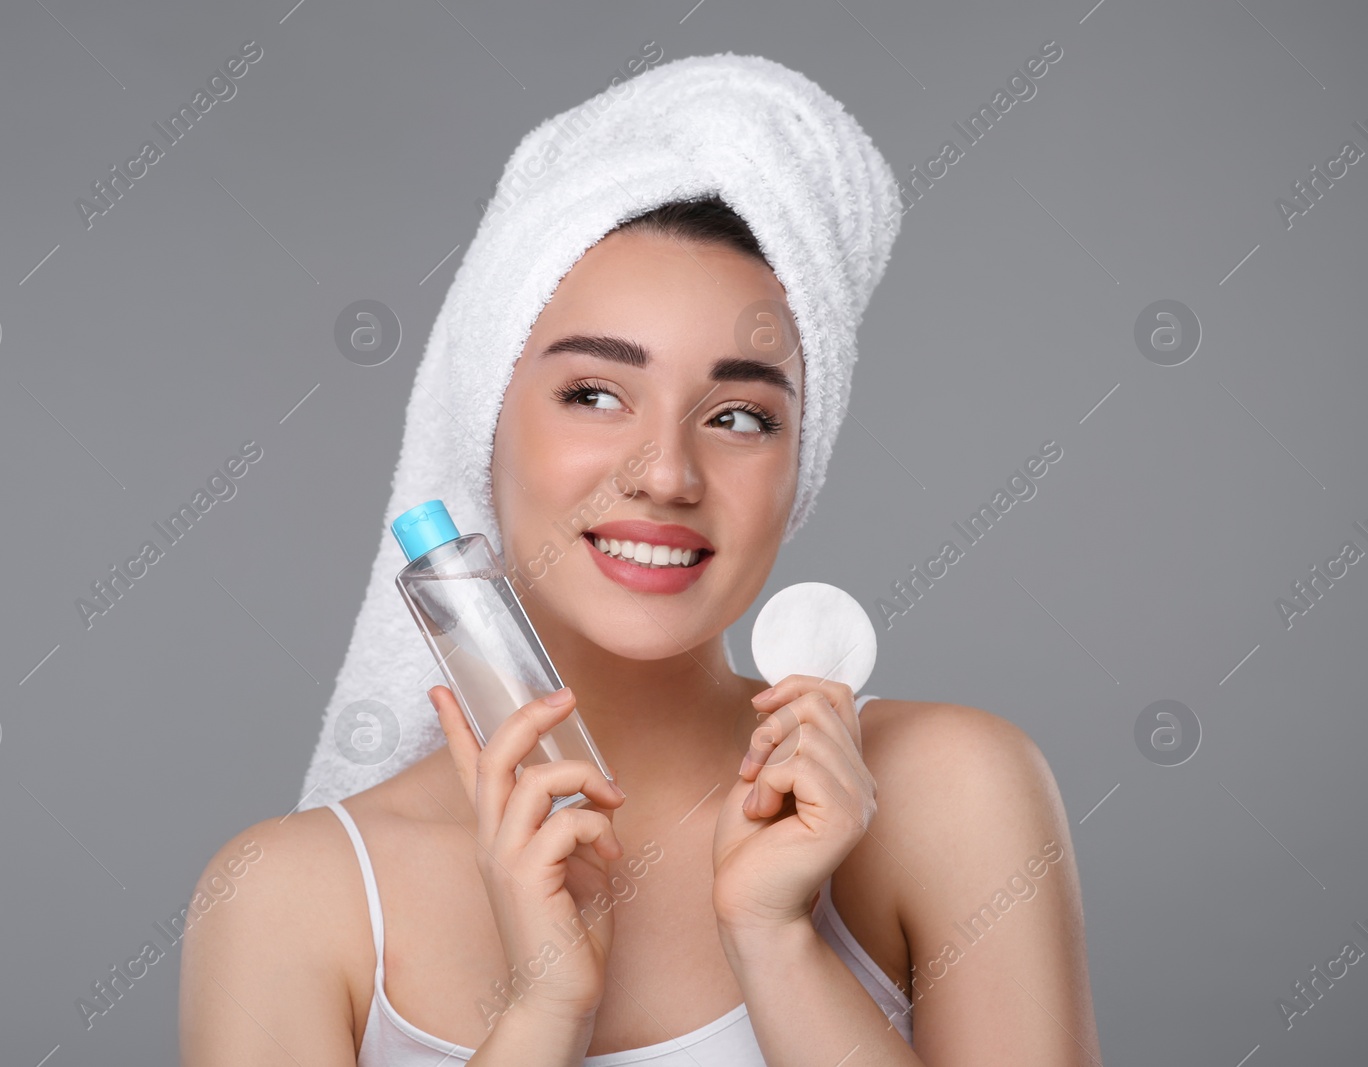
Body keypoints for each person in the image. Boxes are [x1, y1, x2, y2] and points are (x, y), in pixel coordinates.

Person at [182, 55, 1102, 1067]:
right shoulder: (286, 900)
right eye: (595, 393)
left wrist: (778, 943)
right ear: (480, 421)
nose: (666, 471)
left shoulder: (947, 794)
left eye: (741, 414)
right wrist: (541, 1009)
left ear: (803, 463)